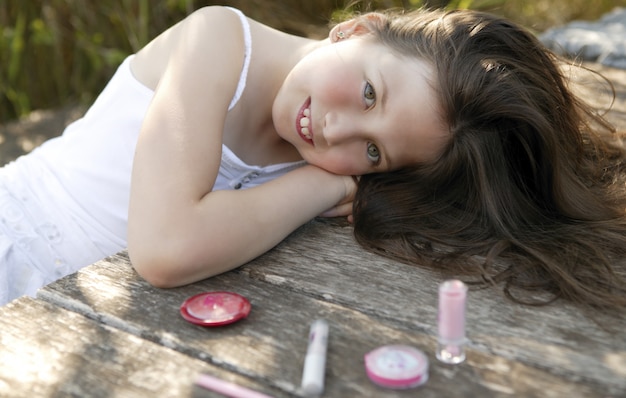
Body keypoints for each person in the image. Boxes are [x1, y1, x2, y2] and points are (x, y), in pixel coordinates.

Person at [1, 6, 625, 310]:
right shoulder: (217, 41)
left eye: (374, 152)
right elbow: (165, 251)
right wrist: (320, 189)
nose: (336, 131)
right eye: (369, 92)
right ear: (357, 29)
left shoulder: (335, 154)